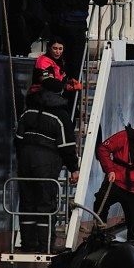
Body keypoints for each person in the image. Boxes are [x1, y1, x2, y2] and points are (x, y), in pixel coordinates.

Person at [13, 105, 78, 253]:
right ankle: (46, 245)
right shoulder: (61, 116)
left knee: (27, 203)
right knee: (46, 204)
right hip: (46, 165)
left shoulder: (28, 112)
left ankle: (28, 244)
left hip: (25, 162)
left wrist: (23, 157)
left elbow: (17, 139)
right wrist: (73, 168)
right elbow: (67, 146)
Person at [41, 0, 108, 80]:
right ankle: (73, 88)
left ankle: (55, 83)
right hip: (76, 27)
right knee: (75, 61)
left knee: (56, 58)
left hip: (56, 27)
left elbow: (45, 3)